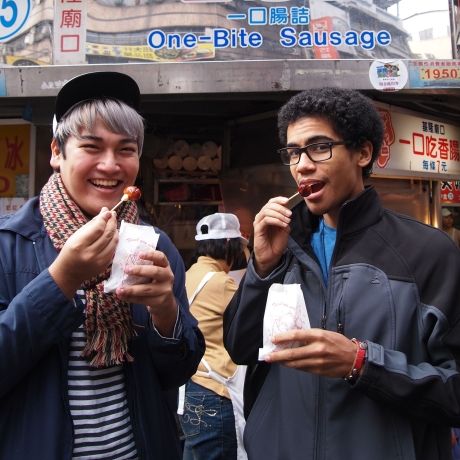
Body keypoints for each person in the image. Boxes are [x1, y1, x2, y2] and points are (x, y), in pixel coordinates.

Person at [223, 87, 460, 460]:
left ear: (363, 153)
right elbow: (240, 348)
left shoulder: (428, 252)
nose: (302, 165)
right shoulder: (284, 245)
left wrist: (362, 364)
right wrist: (262, 268)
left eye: (319, 147)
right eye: (294, 152)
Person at [0, 71, 205, 460]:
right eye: (92, 147)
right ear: (57, 153)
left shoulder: (154, 245)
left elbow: (177, 373)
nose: (110, 165)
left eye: (126, 149)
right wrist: (62, 278)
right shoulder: (8, 245)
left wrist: (166, 313)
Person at [179, 213, 248, 460]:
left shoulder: (188, 275)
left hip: (192, 386)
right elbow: (253, 323)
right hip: (216, 390)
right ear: (229, 244)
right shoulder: (221, 283)